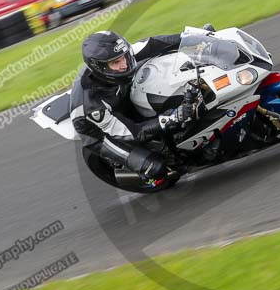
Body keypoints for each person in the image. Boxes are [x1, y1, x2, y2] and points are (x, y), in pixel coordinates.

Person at [70, 31, 198, 183]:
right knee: (156, 167)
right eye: (116, 63)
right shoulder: (92, 105)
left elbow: (152, 43)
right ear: (100, 68)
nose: (124, 64)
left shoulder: (120, 56)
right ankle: (146, 173)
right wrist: (172, 118)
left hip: (120, 100)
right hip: (101, 135)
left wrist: (194, 37)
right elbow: (133, 132)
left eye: (124, 57)